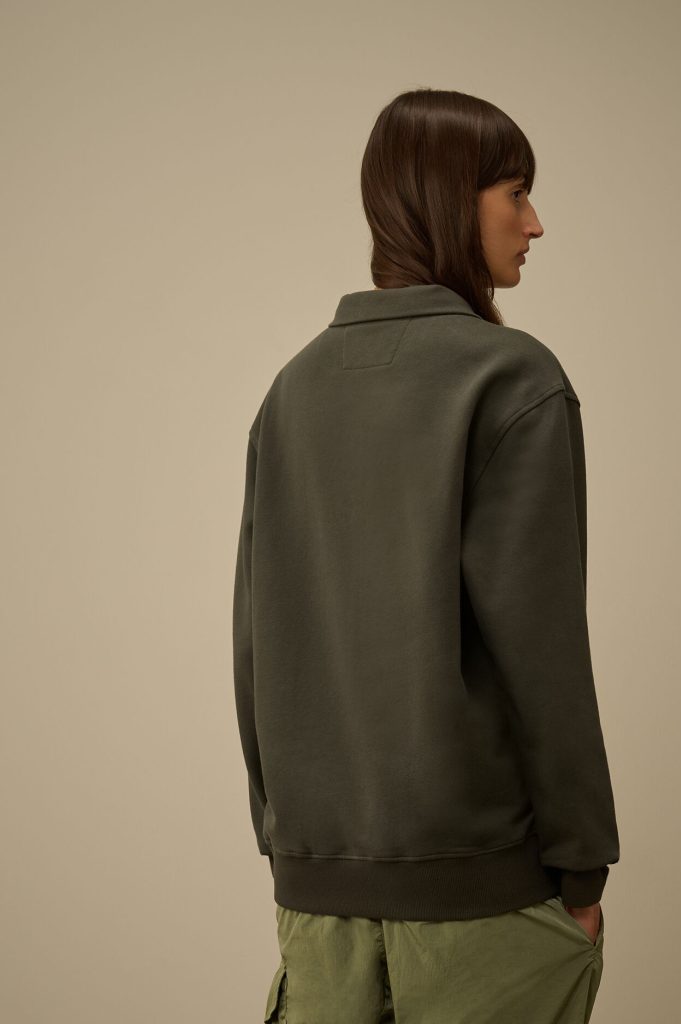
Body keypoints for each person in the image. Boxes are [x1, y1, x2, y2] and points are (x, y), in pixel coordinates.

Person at [232, 87, 620, 1024]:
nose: (534, 223)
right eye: (515, 193)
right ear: (450, 198)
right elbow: (542, 649)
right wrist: (582, 866)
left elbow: (254, 640)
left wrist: (289, 843)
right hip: (482, 900)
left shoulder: (292, 389)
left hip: (316, 899)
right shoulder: (511, 376)